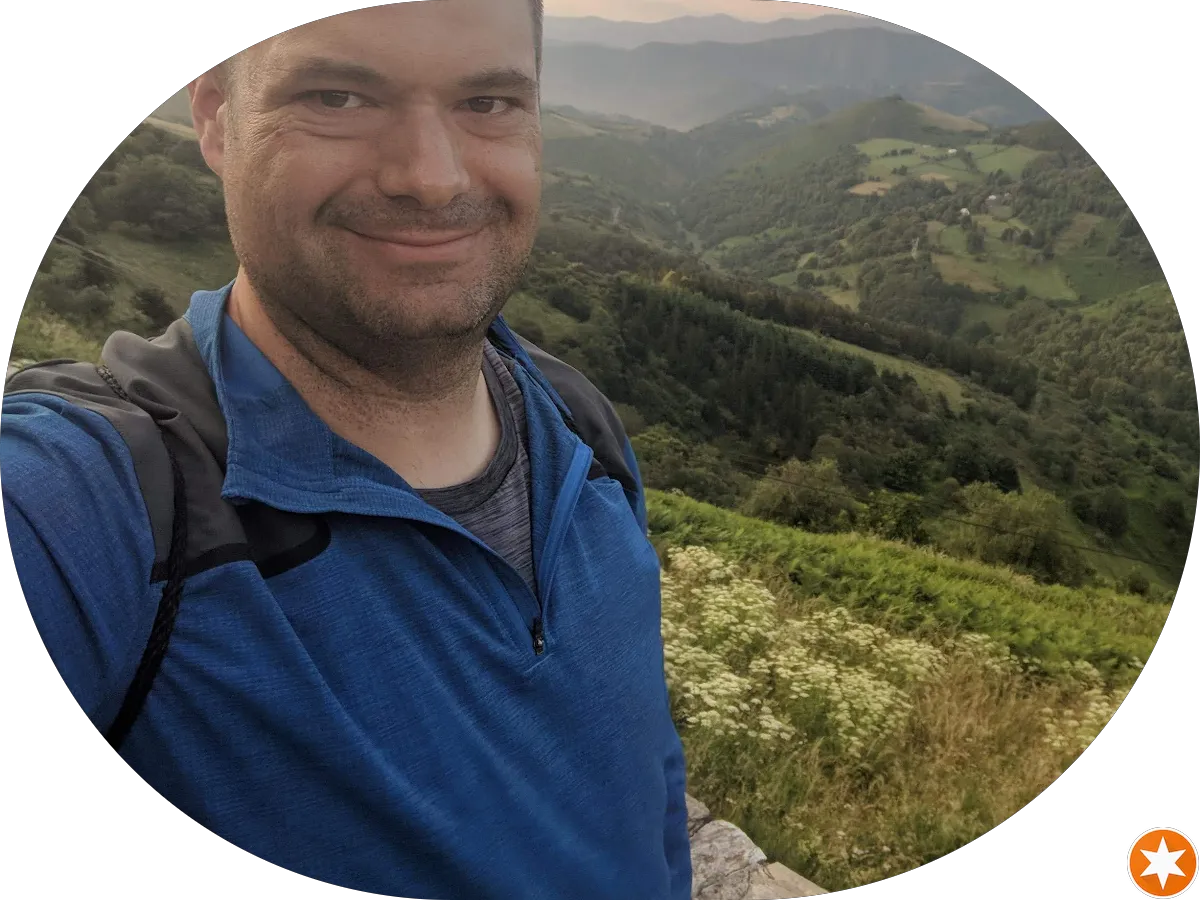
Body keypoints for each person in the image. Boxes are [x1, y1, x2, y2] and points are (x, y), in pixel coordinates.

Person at [1, 3, 691, 899]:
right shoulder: (96, 504)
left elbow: (645, 780)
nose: (432, 179)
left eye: (487, 102)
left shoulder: (577, 423)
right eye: (336, 97)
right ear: (215, 119)